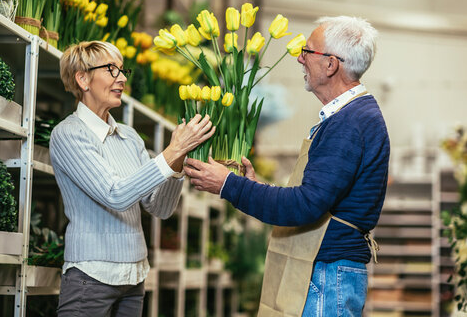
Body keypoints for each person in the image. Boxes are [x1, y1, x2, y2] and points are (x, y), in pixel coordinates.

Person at [184, 16, 390, 316]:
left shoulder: (350, 122)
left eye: (307, 51)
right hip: (326, 271)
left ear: (331, 65)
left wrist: (229, 184)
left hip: (325, 274)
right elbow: (314, 198)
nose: (299, 58)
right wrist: (253, 188)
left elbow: (306, 206)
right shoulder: (349, 116)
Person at [50, 40, 215, 317]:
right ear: (83, 79)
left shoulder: (129, 136)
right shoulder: (69, 134)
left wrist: (177, 162)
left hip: (134, 276)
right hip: (91, 276)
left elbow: (159, 208)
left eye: (122, 70)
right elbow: (115, 195)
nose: (122, 78)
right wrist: (171, 150)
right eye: (111, 70)